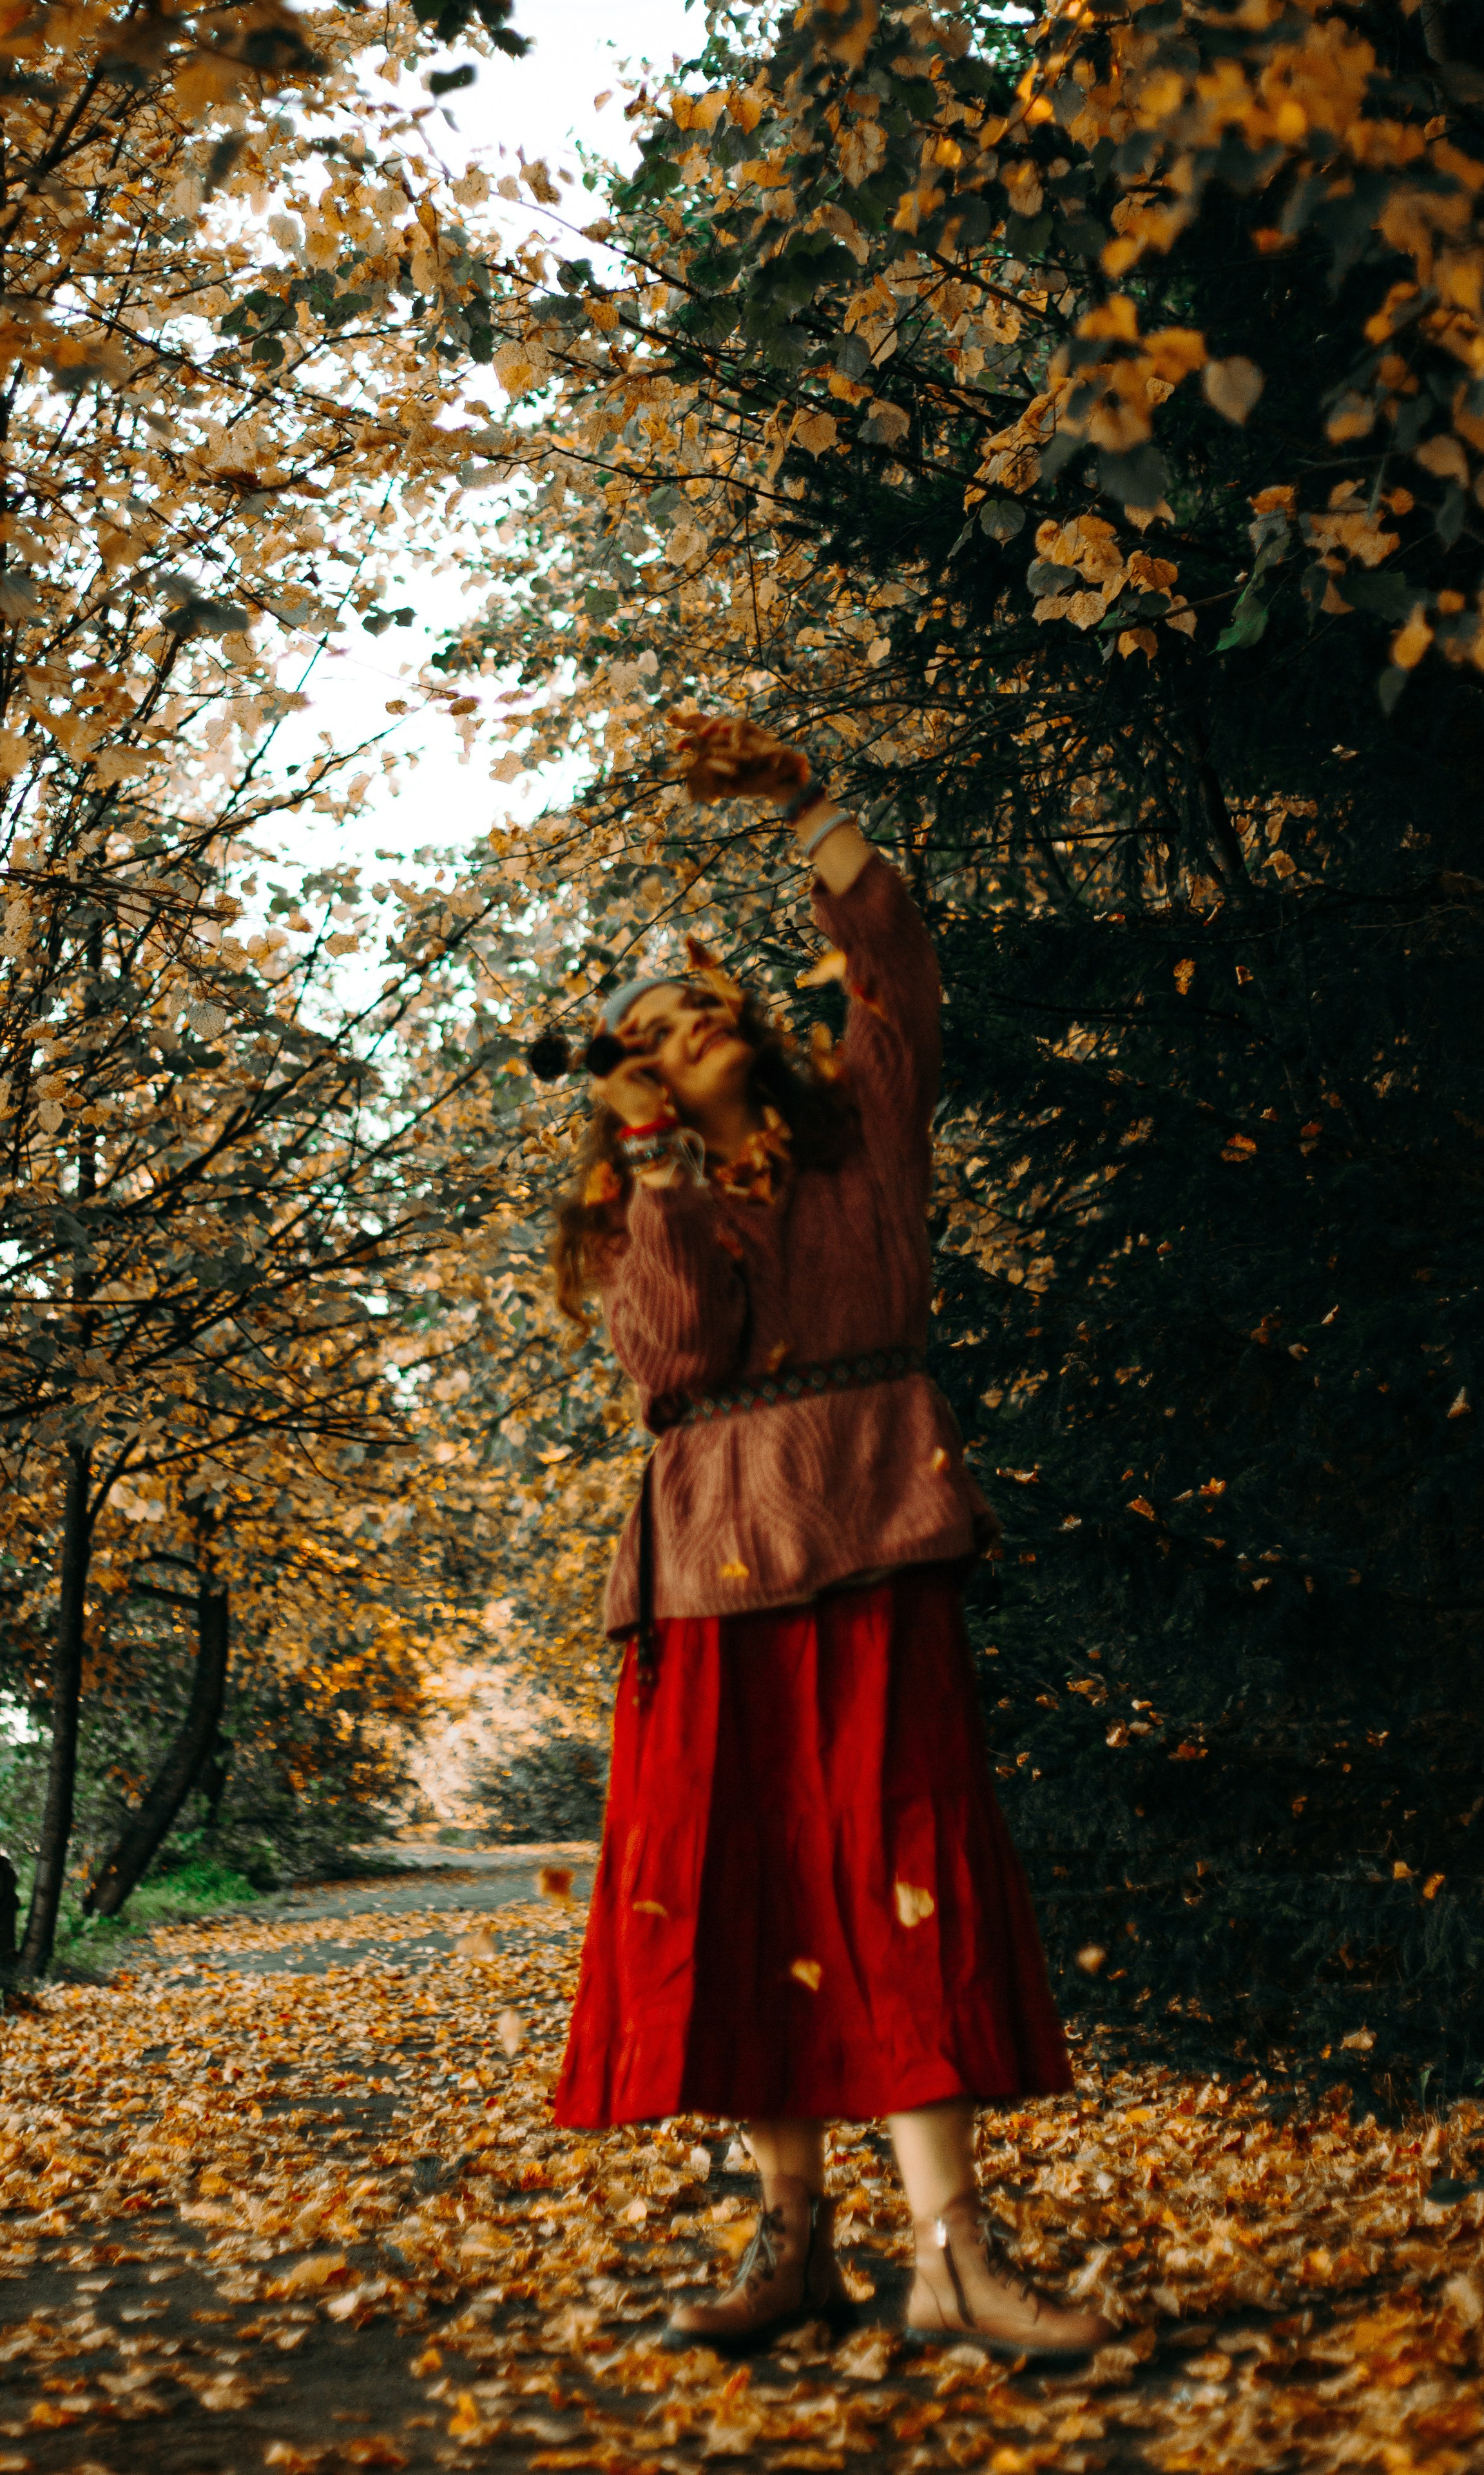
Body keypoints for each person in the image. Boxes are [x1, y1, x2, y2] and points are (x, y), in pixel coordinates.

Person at [529, 720, 1109, 2364]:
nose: (676, 1030)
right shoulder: (663, 1207)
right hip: (708, 1581)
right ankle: (794, 2249)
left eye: (698, 1007)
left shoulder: (865, 1125)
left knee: (899, 1877)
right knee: (740, 1886)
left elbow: (896, 962)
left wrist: (805, 807)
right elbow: (672, 1360)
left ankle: (952, 2261)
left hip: (868, 1542)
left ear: (754, 1029)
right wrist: (650, 1166)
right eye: (643, 1031)